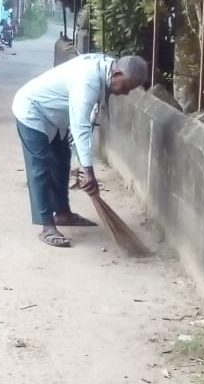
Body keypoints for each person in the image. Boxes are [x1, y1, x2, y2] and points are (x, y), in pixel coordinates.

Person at [12, 53, 149, 248]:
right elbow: (80, 127)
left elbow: (87, 121)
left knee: (61, 161)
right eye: (126, 87)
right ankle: (47, 226)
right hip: (32, 110)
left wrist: (83, 166)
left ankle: (63, 214)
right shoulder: (88, 79)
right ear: (117, 73)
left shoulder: (105, 70)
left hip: (56, 117)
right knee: (40, 167)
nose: (126, 93)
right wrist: (88, 171)